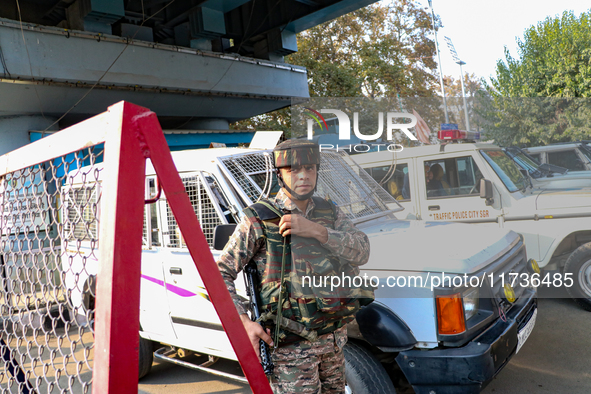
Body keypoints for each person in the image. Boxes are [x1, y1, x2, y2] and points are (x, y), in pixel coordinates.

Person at [217, 139, 372, 393]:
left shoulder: (329, 212)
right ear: (279, 174)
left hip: (333, 342)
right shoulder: (259, 218)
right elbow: (219, 273)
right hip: (290, 352)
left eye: (310, 168)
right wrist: (243, 322)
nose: (303, 176)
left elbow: (362, 251)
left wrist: (318, 231)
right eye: (293, 169)